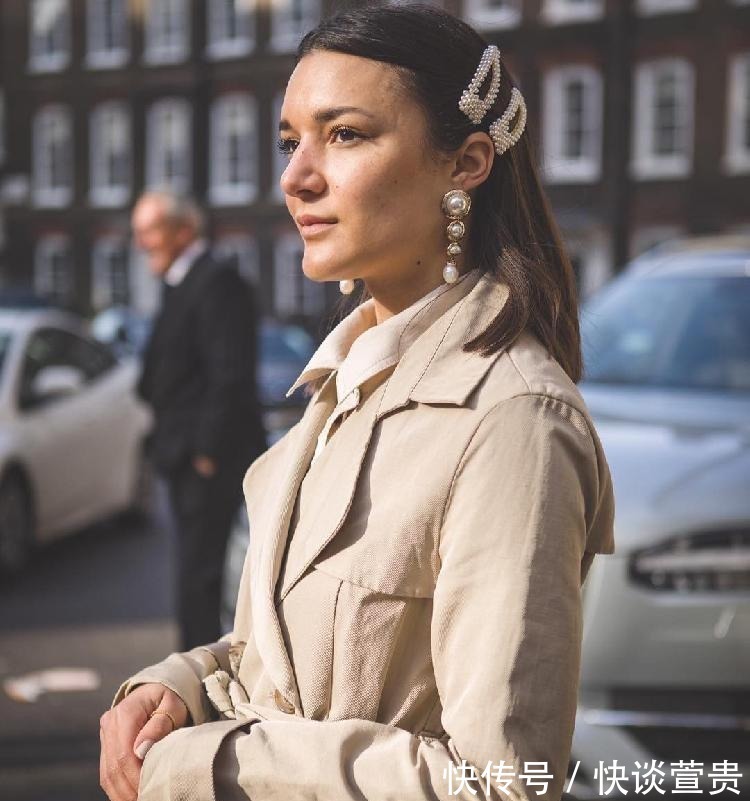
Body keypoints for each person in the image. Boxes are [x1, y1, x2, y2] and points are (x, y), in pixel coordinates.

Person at [100, 6, 615, 801]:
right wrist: (182, 685)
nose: (296, 175)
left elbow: (501, 785)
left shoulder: (512, 421)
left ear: (466, 163)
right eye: (289, 140)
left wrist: (212, 762)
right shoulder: (343, 382)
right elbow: (283, 662)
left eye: (345, 135)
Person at [131, 190, 267, 651]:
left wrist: (206, 452)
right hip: (184, 452)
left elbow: (228, 374)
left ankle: (199, 682)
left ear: (183, 231)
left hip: (208, 458)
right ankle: (195, 670)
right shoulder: (181, 281)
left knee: (201, 576)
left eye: (150, 231)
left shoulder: (216, 282)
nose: (141, 242)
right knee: (195, 574)